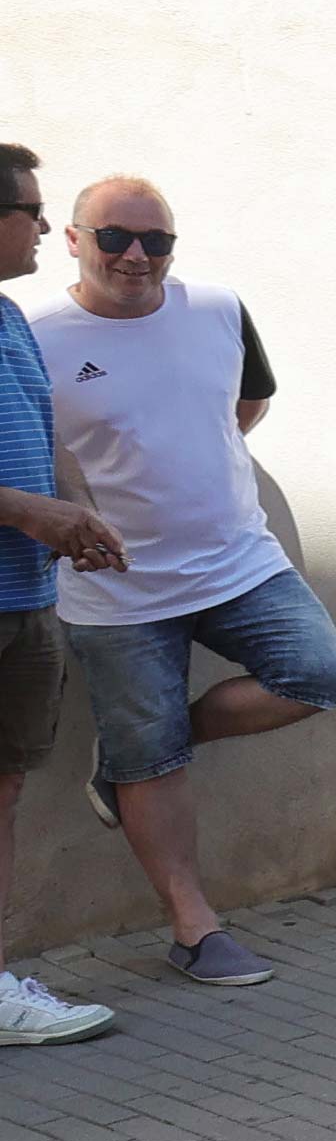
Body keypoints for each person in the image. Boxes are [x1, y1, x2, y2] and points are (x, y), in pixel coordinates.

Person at [29, 177, 336, 988]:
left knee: (317, 675)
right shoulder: (33, 335)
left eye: (157, 241)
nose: (137, 256)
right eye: (115, 237)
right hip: (116, 590)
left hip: (239, 562)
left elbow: (248, 402)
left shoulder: (218, 307)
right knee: (150, 758)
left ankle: (140, 753)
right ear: (73, 239)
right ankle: (195, 928)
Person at [0, 146, 122, 1045]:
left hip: (23, 603)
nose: (46, 227)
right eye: (32, 210)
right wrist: (31, 512)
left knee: (2, 795)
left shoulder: (8, 318)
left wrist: (75, 511)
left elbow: (44, 440)